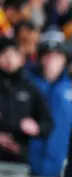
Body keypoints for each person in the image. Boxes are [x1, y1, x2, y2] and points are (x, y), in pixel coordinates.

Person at [27, 30, 72, 177]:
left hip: (61, 166)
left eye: (57, 56)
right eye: (47, 56)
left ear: (64, 59)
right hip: (29, 163)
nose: (51, 61)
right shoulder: (28, 84)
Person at [0, 36, 53, 166]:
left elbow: (48, 123)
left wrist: (37, 128)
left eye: (13, 54)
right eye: (4, 54)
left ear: (21, 58)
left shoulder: (30, 87)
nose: (9, 59)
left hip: (20, 158)